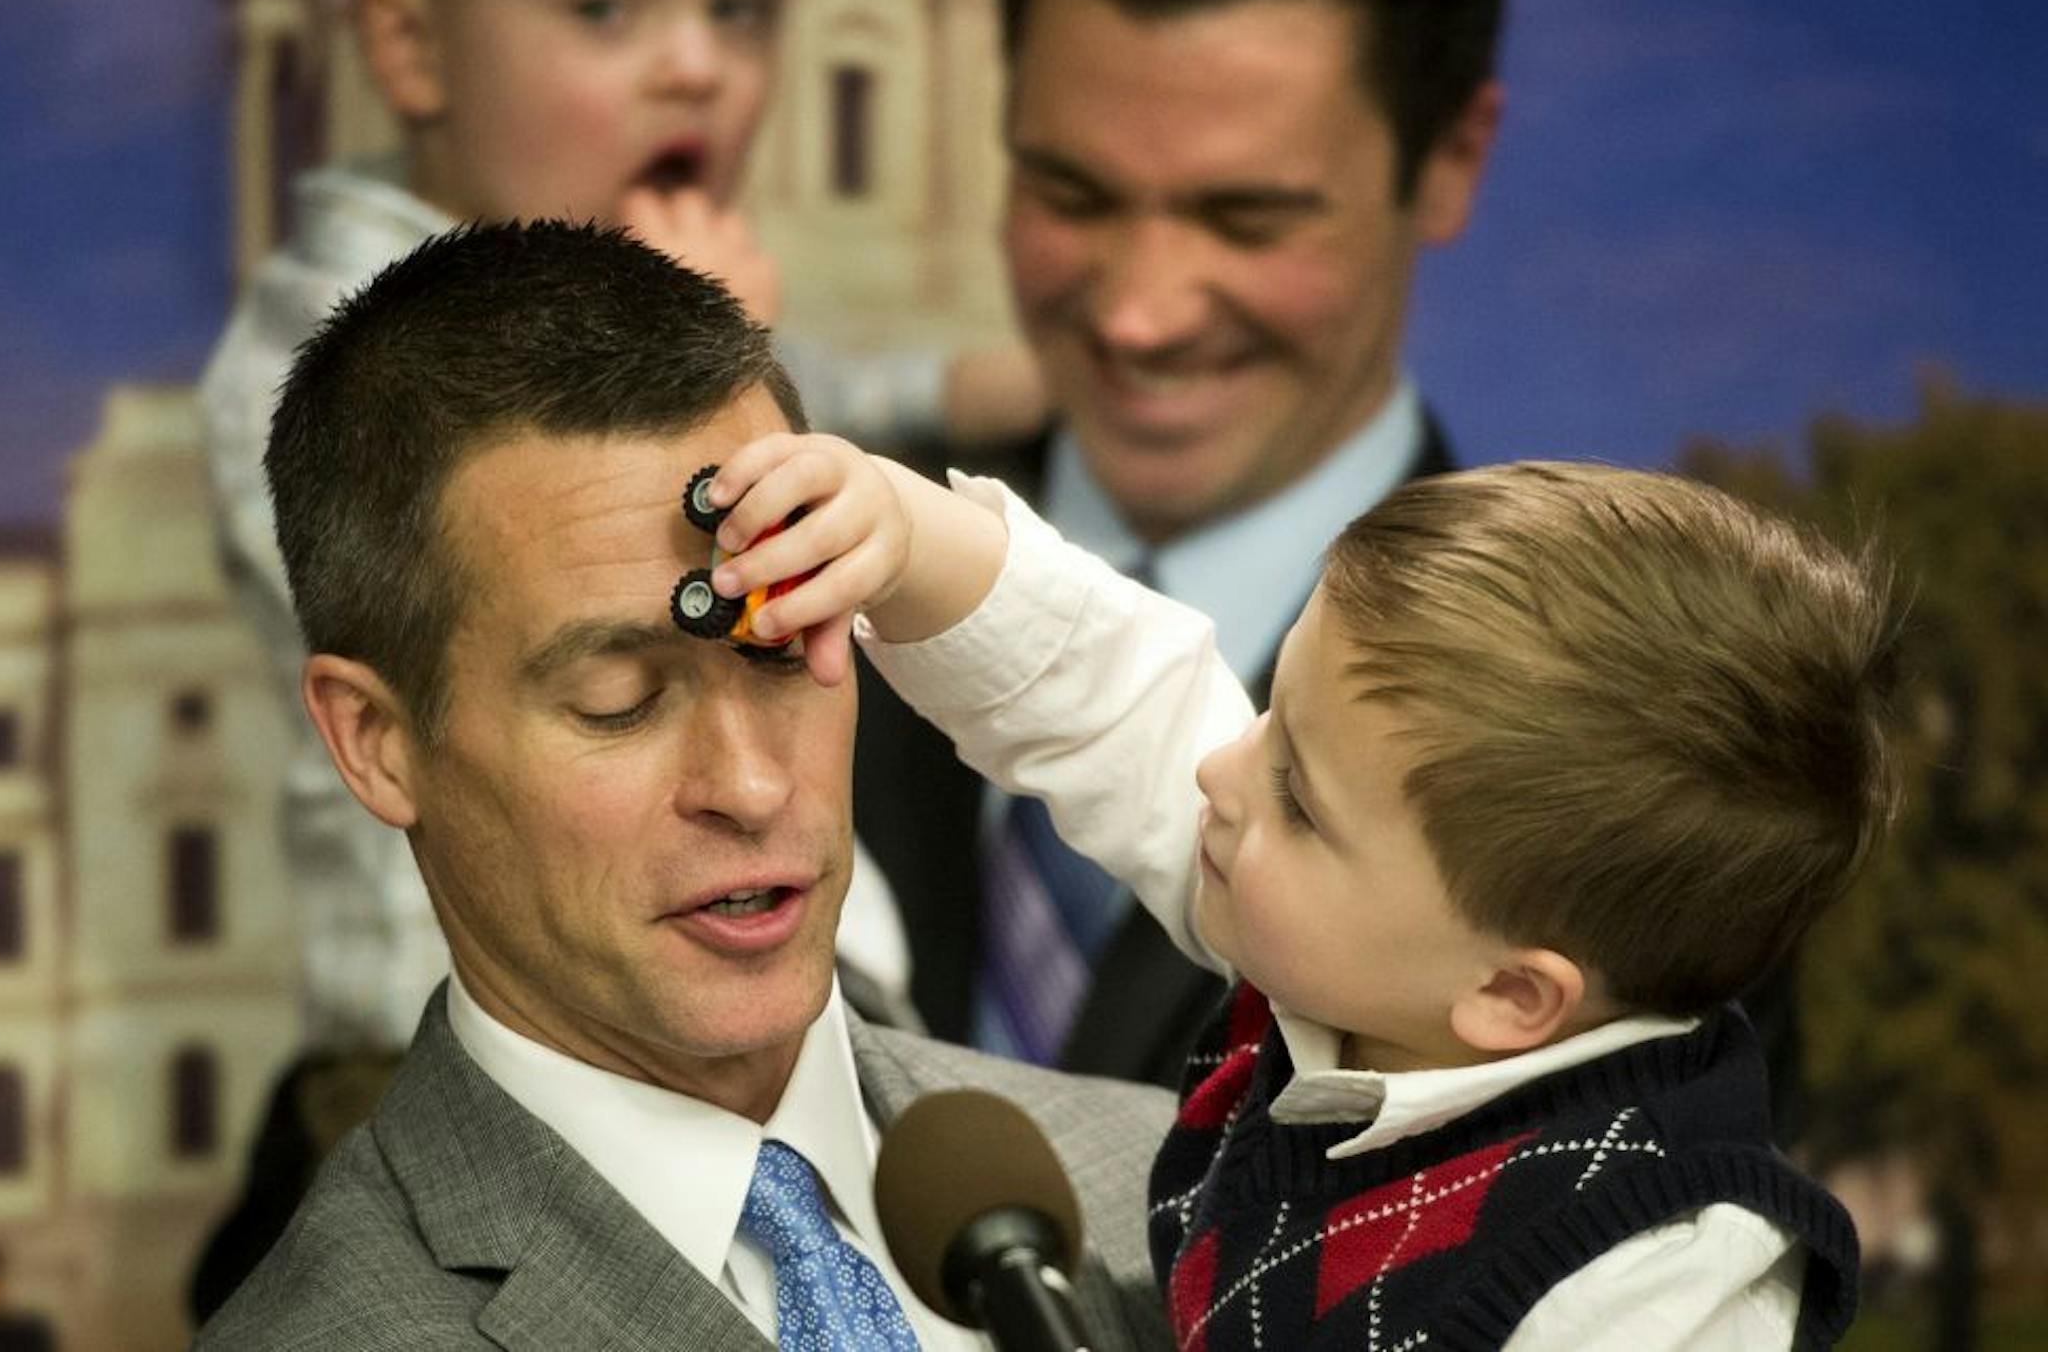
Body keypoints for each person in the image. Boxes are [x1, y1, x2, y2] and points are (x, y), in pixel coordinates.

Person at [191, 0, 1044, 1310]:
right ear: (407, 40)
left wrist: (1010, 387)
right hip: (464, 1102)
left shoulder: (1090, 1167)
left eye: (741, 9)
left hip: (829, 1049)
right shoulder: (321, 352)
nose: (694, 66)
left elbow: (845, 386)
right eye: (604, 10)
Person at [193, 221, 1175, 1350]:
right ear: (375, 740)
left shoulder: (1170, 1191)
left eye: (785, 650)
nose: (751, 786)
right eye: (617, 700)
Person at [695, 431, 1897, 1348]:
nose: (1221, 774)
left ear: (1511, 997)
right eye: (1272, 715)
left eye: (1302, 802)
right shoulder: (1376, 953)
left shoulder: (1663, 1277)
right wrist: (903, 534)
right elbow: (1116, 700)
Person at [853, 0, 1502, 1087]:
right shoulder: (803, 550)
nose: (1138, 318)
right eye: (1071, 197)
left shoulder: (1605, 749)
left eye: (1246, 220)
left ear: (1449, 159)